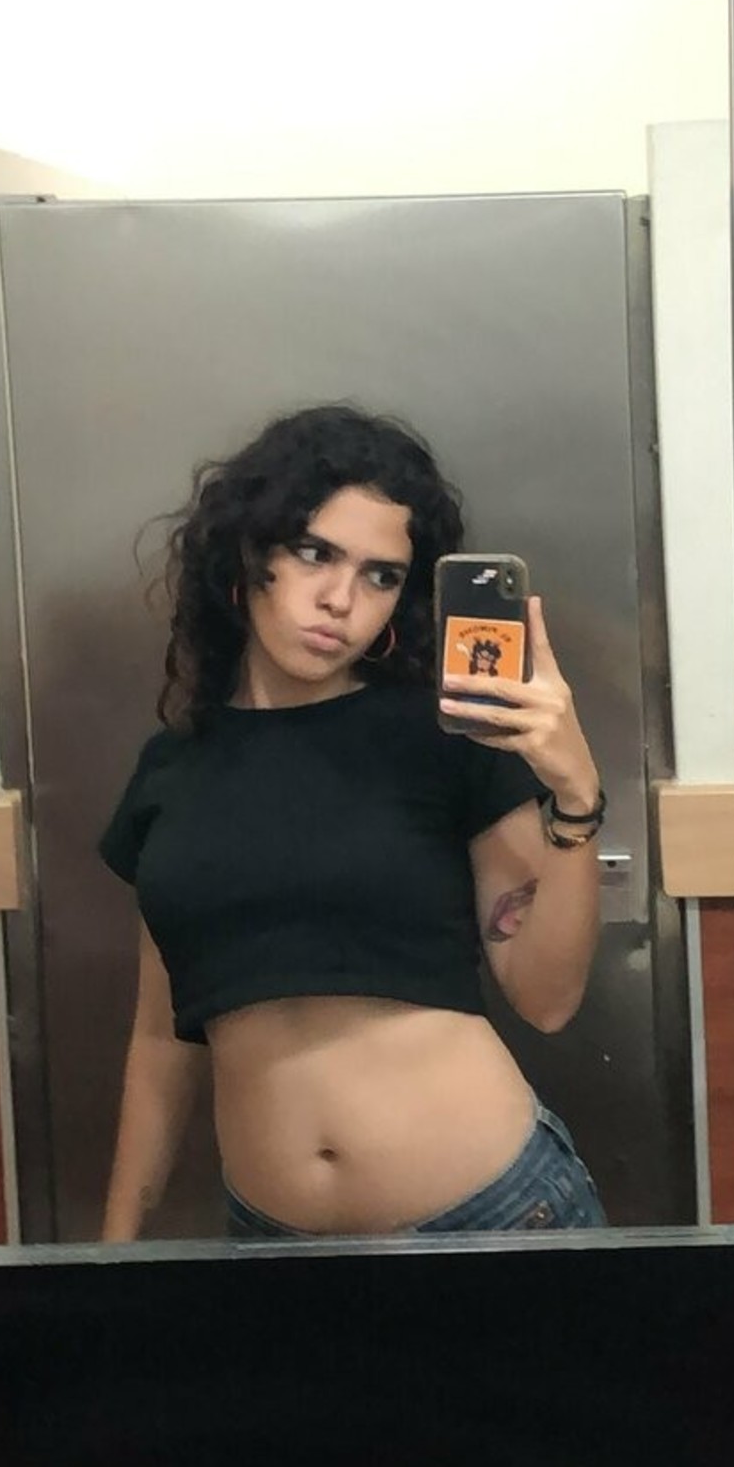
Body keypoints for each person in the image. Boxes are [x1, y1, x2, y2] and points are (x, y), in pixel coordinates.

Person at [98, 403, 607, 1241]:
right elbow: (160, 1038)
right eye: (315, 553)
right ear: (250, 552)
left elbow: (547, 999)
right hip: (276, 1244)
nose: (340, 600)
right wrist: (116, 1243)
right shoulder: (172, 772)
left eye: (381, 576)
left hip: (497, 1218)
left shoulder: (444, 737)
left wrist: (577, 798)